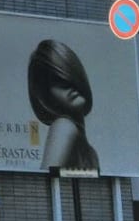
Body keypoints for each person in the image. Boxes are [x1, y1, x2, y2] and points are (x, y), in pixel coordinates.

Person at [27, 38, 100, 172]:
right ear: (46, 94)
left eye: (69, 73)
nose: (69, 84)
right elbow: (47, 176)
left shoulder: (76, 134)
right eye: (57, 81)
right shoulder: (63, 126)